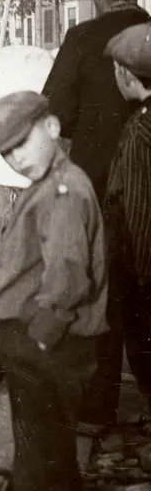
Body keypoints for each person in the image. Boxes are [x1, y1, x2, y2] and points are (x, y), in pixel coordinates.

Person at [0, 91, 108, 491]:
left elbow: (68, 279)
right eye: (7, 153)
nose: (16, 158)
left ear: (52, 127)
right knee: (53, 461)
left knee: (41, 470)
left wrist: (37, 340)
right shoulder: (54, 179)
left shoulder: (62, 192)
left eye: (22, 144)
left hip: (47, 350)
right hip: (48, 347)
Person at [42, 0, 150, 431]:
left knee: (101, 295)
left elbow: (55, 115)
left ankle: (97, 408)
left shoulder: (83, 39)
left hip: (99, 185)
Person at [103, 23, 151, 412]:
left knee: (143, 347)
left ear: (127, 76)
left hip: (141, 270)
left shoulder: (137, 133)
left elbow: (137, 210)